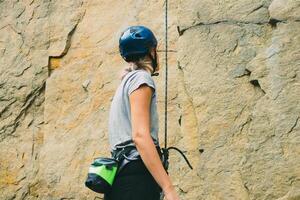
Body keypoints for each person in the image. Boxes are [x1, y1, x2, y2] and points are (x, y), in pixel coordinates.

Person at [104, 26, 180, 200]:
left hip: (120, 177)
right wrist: (168, 188)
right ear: (152, 52)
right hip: (137, 176)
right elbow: (139, 136)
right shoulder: (141, 80)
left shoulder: (126, 84)